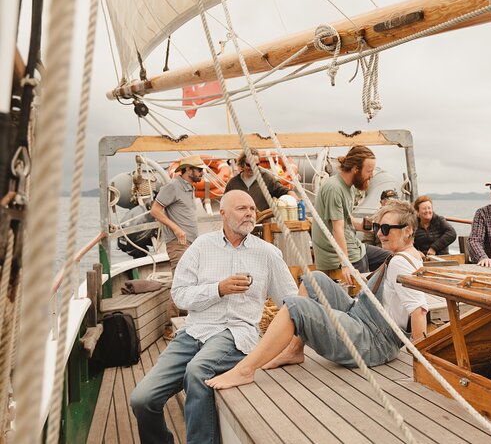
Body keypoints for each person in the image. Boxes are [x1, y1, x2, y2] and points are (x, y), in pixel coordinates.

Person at [131, 190, 298, 444]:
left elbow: (291, 302)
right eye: (242, 209)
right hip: (194, 331)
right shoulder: (200, 246)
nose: (250, 214)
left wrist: (296, 343)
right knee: (142, 399)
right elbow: (179, 295)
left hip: (235, 333)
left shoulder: (267, 253)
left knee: (197, 372)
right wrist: (218, 289)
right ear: (223, 214)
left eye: (252, 209)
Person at [205, 200, 428, 390]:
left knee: (295, 306)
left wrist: (422, 365)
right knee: (315, 279)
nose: (380, 233)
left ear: (408, 230)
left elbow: (418, 311)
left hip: (372, 340)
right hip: (363, 316)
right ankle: (295, 349)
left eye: (387, 228)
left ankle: (245, 370)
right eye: (378, 227)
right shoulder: (409, 255)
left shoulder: (401, 263)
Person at [312, 145, 392, 284]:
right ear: (356, 169)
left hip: (354, 246)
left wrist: (367, 226)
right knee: (366, 292)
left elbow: (347, 220)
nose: (372, 176)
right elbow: (337, 229)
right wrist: (346, 264)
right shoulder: (334, 189)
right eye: (369, 171)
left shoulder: (349, 187)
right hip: (338, 256)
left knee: (393, 258)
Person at [150, 154, 206, 337]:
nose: (201, 173)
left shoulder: (188, 188)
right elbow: (155, 210)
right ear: (188, 169)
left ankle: (185, 324)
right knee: (181, 282)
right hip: (178, 243)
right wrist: (176, 229)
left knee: (191, 281)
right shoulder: (173, 186)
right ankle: (169, 327)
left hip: (190, 243)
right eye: (198, 169)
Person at [224, 147, 297, 212]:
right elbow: (225, 203)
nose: (253, 168)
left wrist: (292, 195)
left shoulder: (267, 178)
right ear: (242, 164)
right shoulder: (233, 183)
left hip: (263, 224)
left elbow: (282, 190)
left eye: (256, 165)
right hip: (241, 224)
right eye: (249, 165)